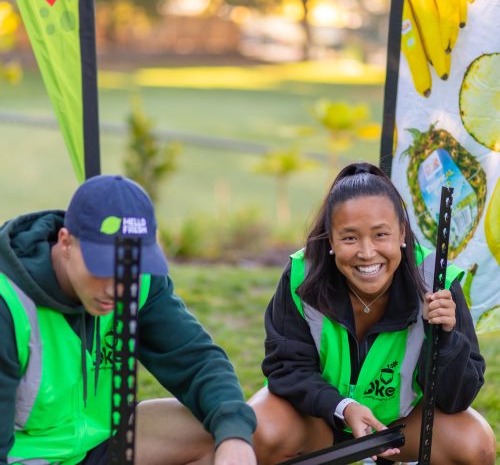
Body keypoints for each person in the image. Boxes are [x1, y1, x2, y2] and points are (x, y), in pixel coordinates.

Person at [249, 162, 496, 464]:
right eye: (350, 238)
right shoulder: (302, 274)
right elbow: (286, 369)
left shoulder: (436, 280)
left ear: (402, 233)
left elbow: (456, 399)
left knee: (475, 444)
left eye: (381, 235)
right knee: (258, 429)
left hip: (397, 425)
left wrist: (446, 338)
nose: (367, 252)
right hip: (318, 418)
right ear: (330, 240)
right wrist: (344, 407)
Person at [0, 174, 257, 465]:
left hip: (102, 441)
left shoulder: (142, 284)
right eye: (101, 268)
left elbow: (197, 361)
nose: (116, 289)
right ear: (66, 242)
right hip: (27, 457)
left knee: (223, 429)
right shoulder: (7, 303)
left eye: (128, 270)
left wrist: (235, 437)